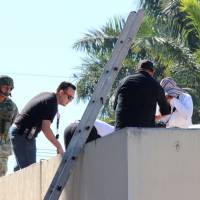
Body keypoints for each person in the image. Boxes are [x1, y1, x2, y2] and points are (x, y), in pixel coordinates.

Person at [9, 81, 76, 170]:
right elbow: (46, 128)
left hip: (24, 135)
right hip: (22, 134)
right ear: (61, 92)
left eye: (72, 98)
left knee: (22, 170)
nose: (70, 101)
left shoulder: (48, 96)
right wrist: (59, 146)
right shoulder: (51, 102)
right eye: (69, 97)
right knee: (30, 171)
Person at [113, 59, 171, 130]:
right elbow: (165, 112)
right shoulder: (156, 86)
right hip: (143, 130)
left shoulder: (124, 81)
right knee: (162, 125)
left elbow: (115, 107)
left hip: (120, 128)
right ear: (152, 72)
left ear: (138, 70)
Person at [0, 75, 18, 177]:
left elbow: (15, 122)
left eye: (10, 88)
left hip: (2, 149)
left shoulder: (11, 106)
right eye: (5, 86)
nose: (8, 89)